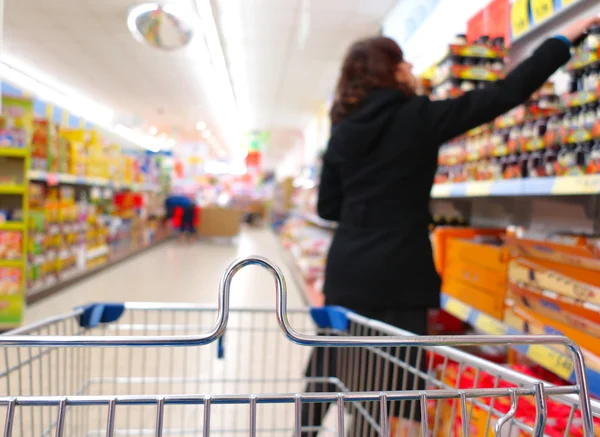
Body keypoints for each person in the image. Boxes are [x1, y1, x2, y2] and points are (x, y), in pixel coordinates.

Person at [301, 17, 600, 437]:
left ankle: (304, 430)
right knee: (394, 388)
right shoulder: (418, 117)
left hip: (348, 270)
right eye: (401, 62)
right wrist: (562, 37)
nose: (408, 69)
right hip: (400, 274)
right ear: (390, 71)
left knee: (329, 367)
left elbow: (328, 206)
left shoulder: (343, 132)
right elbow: (504, 94)